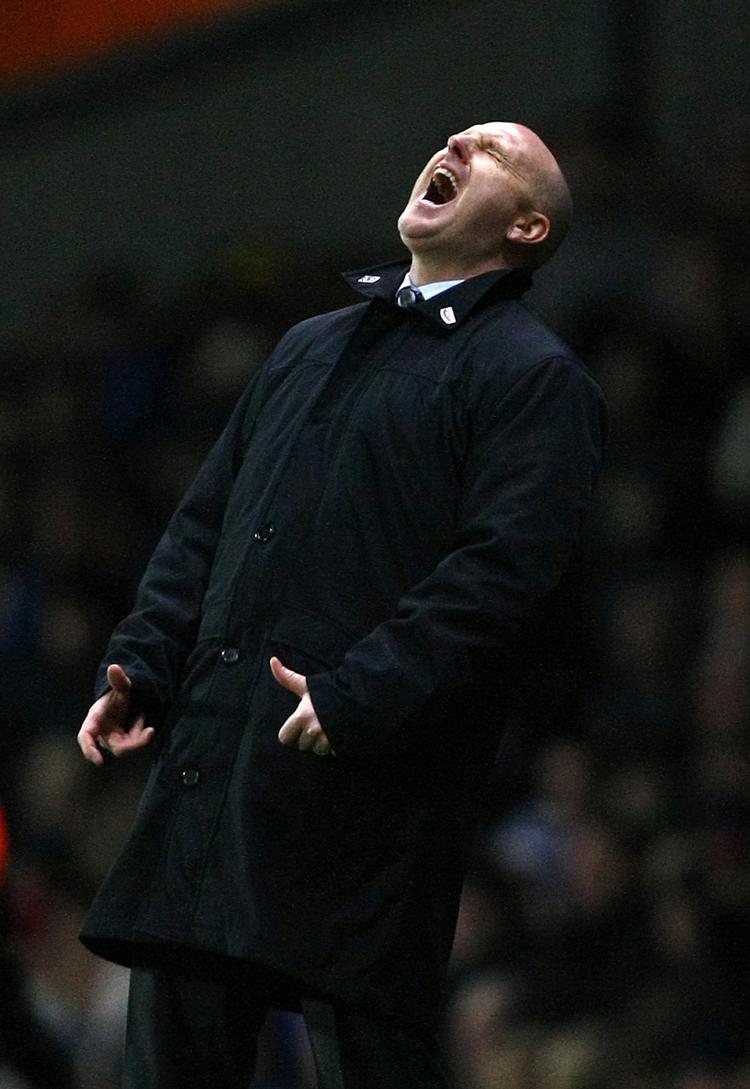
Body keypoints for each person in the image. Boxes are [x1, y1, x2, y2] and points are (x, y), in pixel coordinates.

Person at [77, 122, 606, 1089]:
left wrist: (362, 692)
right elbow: (206, 524)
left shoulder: (533, 377)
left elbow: (502, 573)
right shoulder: (308, 347)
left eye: (491, 151)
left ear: (527, 228)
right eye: (460, 137)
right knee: (170, 1059)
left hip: (367, 778)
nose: (456, 142)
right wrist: (145, 660)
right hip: (221, 756)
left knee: (367, 1059)